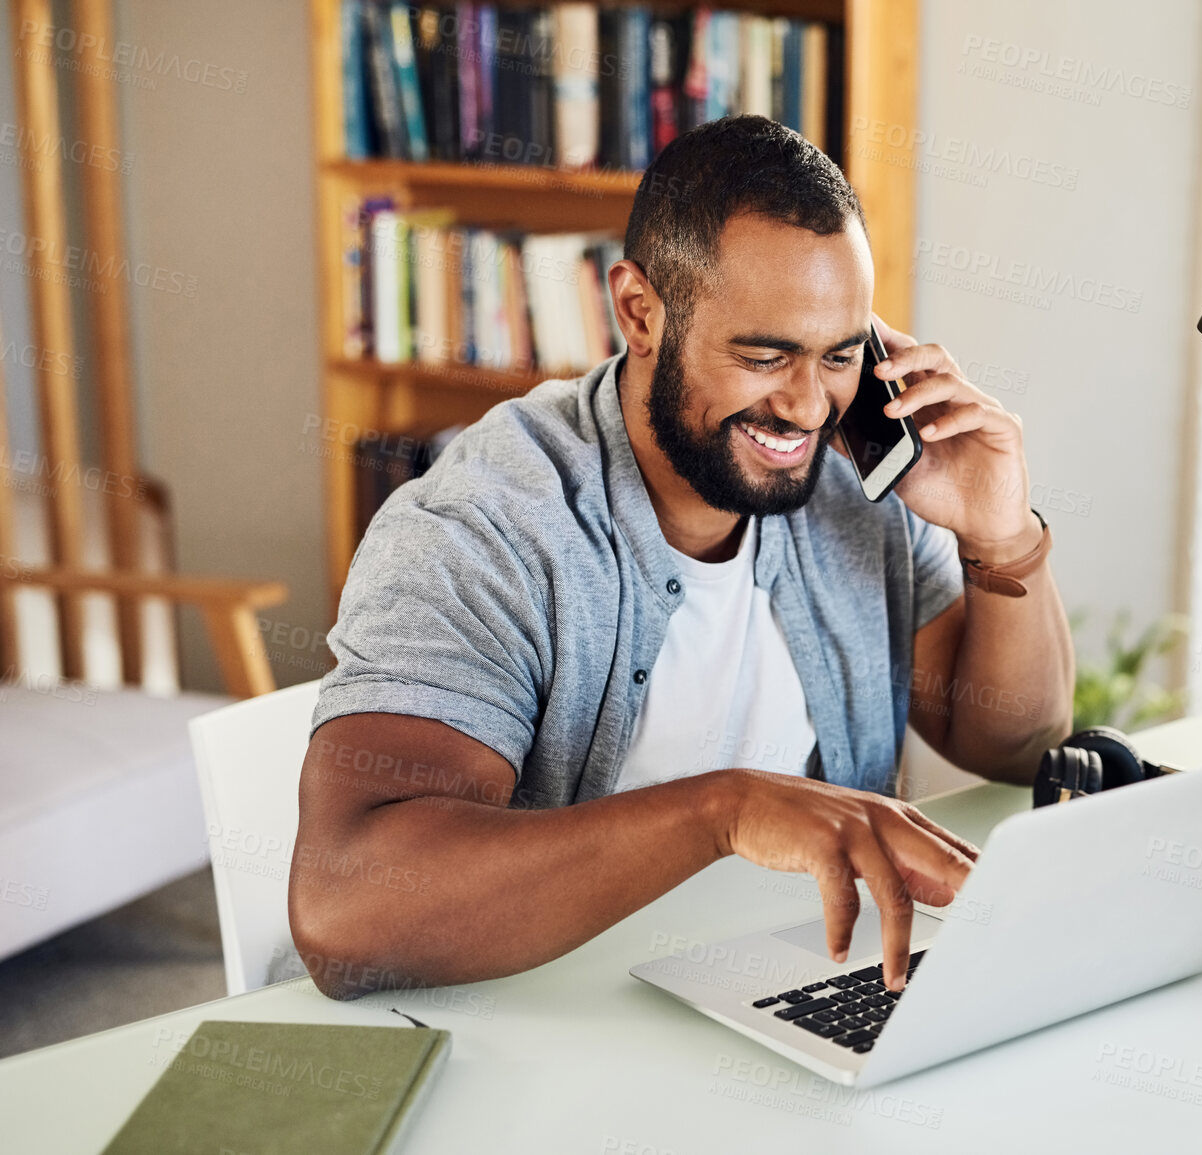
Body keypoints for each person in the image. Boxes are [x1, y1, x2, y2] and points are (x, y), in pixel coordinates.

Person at [288, 115, 1074, 1001]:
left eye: (840, 355)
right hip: (549, 1020)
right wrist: (724, 810)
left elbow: (1014, 742)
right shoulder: (483, 527)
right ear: (640, 312)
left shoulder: (858, 485)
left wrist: (999, 538)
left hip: (792, 982)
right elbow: (342, 911)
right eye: (763, 354)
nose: (808, 408)